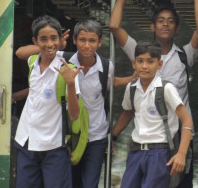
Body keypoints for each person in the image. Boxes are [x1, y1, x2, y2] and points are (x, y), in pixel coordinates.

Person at [15, 19, 137, 188]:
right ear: (74, 40)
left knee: (88, 183)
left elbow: (109, 83)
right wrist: (55, 46)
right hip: (70, 135)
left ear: (100, 42)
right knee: (71, 181)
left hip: (94, 134)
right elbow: (36, 80)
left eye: (92, 40)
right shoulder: (59, 58)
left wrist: (130, 80)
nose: (87, 45)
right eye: (82, 40)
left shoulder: (103, 67)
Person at [109, 0, 198, 187]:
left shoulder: (184, 54)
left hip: (178, 137)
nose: (165, 24)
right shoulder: (141, 52)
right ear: (152, 26)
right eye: (160, 20)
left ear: (177, 28)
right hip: (148, 143)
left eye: (170, 21)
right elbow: (114, 27)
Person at [112, 41, 193, 188]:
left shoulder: (166, 88)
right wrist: (112, 136)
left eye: (150, 62)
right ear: (133, 63)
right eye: (140, 61)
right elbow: (128, 112)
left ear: (159, 65)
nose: (144, 66)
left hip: (159, 153)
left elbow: (187, 120)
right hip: (135, 152)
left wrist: (181, 154)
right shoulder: (131, 88)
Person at [14, 15, 82, 188]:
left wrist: (71, 84)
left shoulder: (68, 70)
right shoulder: (32, 63)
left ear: (60, 39)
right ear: (35, 41)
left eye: (54, 38)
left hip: (53, 146)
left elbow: (74, 115)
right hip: (26, 142)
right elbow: (19, 52)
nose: (49, 44)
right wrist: (42, 47)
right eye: (43, 39)